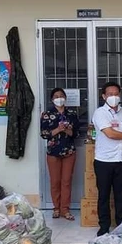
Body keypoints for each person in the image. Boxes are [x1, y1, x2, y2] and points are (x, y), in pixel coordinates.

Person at [92, 82, 122, 236]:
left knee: (121, 195)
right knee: (104, 195)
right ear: (104, 96)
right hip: (104, 161)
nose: (114, 97)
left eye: (116, 94)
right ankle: (104, 227)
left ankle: (121, 225)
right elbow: (110, 134)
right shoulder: (100, 113)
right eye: (110, 94)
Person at [40, 88, 78, 220]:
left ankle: (65, 209)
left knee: (66, 181)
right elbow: (44, 134)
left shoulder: (72, 113)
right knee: (55, 181)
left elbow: (76, 133)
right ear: (52, 99)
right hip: (53, 152)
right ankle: (56, 208)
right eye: (56, 96)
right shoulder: (46, 114)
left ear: (65, 98)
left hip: (69, 151)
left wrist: (68, 131)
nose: (59, 98)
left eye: (62, 96)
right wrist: (57, 129)